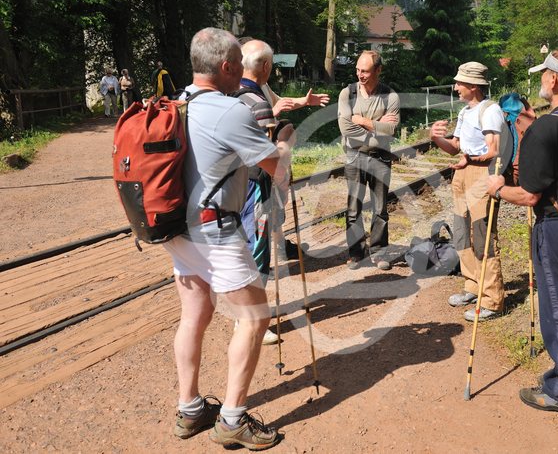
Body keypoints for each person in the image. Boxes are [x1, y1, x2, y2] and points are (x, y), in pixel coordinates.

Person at [163, 27, 293, 449]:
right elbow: (278, 168)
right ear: (226, 67)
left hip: (177, 230)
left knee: (194, 316)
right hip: (215, 230)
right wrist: (286, 143)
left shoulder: (176, 103)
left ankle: (190, 409)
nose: (242, 73)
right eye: (238, 66)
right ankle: (233, 419)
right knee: (255, 317)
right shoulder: (229, 110)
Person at [486, 48, 558, 411]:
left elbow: (529, 195)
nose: (540, 81)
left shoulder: (547, 127)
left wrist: (498, 189)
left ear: (554, 79)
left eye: (543, 75)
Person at [234, 39, 329, 346]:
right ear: (265, 66)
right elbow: (265, 144)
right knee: (257, 253)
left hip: (235, 185)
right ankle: (249, 321)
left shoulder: (229, 90)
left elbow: (279, 105)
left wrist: (303, 102)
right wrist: (283, 160)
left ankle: (246, 314)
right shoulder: (252, 100)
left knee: (249, 248)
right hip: (255, 184)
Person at [429, 62, 506, 321]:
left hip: (481, 175)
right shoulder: (465, 112)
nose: (456, 87)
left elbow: (493, 151)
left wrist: (469, 159)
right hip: (462, 173)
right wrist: (435, 138)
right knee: (461, 233)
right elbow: (455, 148)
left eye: (460, 83)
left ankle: (493, 300)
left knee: (483, 235)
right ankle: (473, 285)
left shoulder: (490, 110)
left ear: (474, 86)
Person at [337, 50, 399, 270]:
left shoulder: (390, 96)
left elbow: (391, 129)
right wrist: (377, 126)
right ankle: (356, 253)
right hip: (355, 157)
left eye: (365, 71)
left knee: (380, 208)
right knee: (353, 208)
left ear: (378, 70)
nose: (360, 74)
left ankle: (379, 251)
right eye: (357, 70)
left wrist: (362, 121)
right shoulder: (348, 93)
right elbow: (345, 127)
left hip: (380, 158)